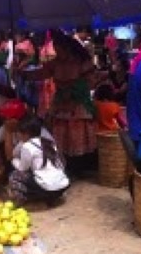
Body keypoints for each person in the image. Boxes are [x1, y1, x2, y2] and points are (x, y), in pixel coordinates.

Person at [20, 30, 97, 173]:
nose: (57, 52)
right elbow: (40, 73)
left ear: (67, 48)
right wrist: (23, 73)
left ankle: (83, 166)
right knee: (61, 136)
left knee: (77, 135)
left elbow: (91, 81)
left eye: (59, 49)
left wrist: (74, 90)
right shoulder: (55, 64)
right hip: (60, 101)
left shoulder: (82, 61)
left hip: (78, 101)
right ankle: (65, 165)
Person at [0, 99, 54, 184]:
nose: (4, 122)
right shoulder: (9, 127)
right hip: (26, 163)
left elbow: (10, 157)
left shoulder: (30, 132)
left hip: (42, 168)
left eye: (5, 119)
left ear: (14, 120)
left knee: (14, 178)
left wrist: (8, 132)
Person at [7, 115, 69, 207]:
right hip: (62, 186)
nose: (18, 135)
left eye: (19, 133)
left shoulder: (27, 146)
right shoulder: (49, 142)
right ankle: (52, 198)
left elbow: (22, 168)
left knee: (14, 175)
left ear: (26, 134)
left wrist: (14, 160)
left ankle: (22, 200)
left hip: (47, 188)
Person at [12, 32, 41, 112]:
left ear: (23, 35)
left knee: (26, 97)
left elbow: (28, 58)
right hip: (35, 71)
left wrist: (19, 67)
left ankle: (29, 116)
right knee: (34, 97)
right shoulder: (32, 44)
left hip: (25, 72)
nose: (15, 36)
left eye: (17, 35)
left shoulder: (20, 46)